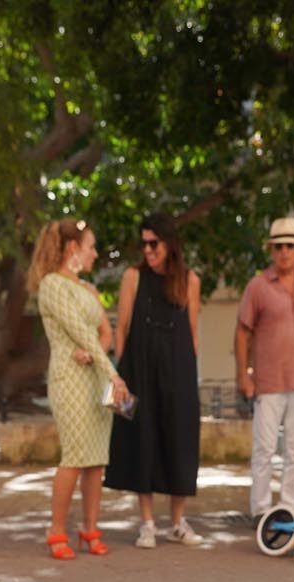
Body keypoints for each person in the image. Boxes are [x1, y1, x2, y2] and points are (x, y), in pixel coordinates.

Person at [29, 217, 129, 560]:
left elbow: (104, 332)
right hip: (69, 379)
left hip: (95, 378)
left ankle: (90, 527)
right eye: (90, 246)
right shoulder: (52, 286)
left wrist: (96, 356)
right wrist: (113, 372)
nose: (95, 254)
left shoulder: (88, 290)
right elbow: (77, 330)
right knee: (74, 455)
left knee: (96, 460)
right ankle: (56, 530)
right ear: (72, 248)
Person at [107, 213, 204, 548]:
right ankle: (147, 523)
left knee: (180, 441)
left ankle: (178, 522)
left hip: (178, 372)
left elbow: (192, 331)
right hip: (140, 371)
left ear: (169, 243)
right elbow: (121, 328)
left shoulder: (190, 281)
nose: (148, 250)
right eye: (144, 243)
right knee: (142, 441)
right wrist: (121, 374)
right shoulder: (133, 276)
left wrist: (189, 376)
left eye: (154, 243)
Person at [235, 217, 294, 518]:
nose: (284, 251)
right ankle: (261, 511)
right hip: (269, 379)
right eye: (278, 246)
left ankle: (288, 508)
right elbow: (242, 331)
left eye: (290, 246)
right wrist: (243, 375)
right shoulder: (258, 286)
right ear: (271, 250)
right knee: (263, 449)